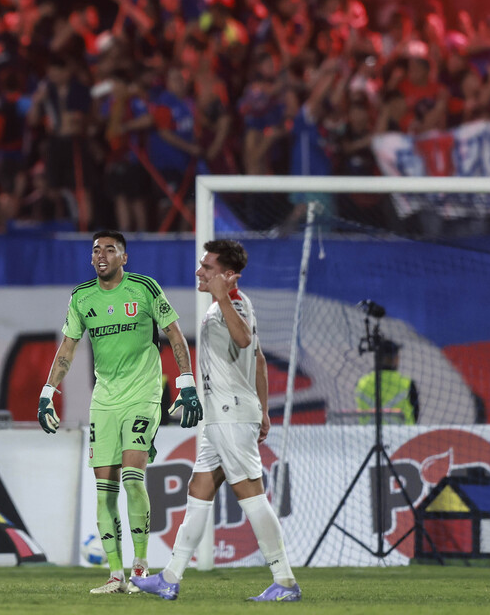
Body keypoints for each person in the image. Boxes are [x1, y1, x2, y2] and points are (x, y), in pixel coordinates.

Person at [132, 239, 301, 602]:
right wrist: (264, 410)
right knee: (199, 489)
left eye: (207, 268)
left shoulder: (232, 304)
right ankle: (171, 577)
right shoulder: (238, 305)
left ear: (228, 275)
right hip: (224, 415)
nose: (199, 272)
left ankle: (285, 581)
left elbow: (242, 342)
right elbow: (258, 359)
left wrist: (223, 298)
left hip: (229, 415)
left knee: (252, 495)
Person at [37, 229, 202, 594]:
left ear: (123, 258)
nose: (101, 255)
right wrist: (49, 391)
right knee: (104, 491)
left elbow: (174, 334)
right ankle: (115, 574)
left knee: (132, 477)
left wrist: (186, 382)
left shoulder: (144, 288)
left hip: (143, 393)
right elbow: (67, 348)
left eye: (110, 249)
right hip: (104, 400)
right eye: (96, 249)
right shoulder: (82, 298)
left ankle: (140, 567)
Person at [355, 338, 418, 425]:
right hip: (403, 436)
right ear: (395, 359)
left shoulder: (362, 383)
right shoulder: (407, 383)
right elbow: (415, 414)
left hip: (367, 435)